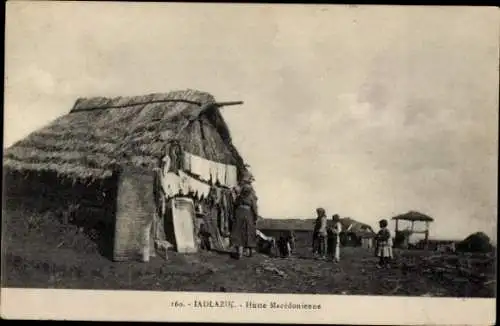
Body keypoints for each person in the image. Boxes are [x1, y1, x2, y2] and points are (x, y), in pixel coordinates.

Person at [230, 183, 258, 259]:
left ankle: (240, 253)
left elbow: (234, 207)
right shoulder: (251, 198)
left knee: (239, 233)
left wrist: (234, 216)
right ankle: (250, 253)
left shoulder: (239, 197)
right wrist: (255, 218)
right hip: (248, 215)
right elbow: (254, 209)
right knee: (249, 232)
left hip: (239, 215)